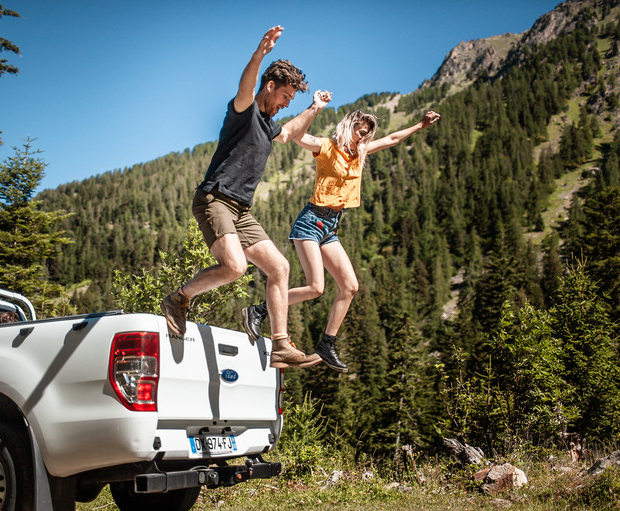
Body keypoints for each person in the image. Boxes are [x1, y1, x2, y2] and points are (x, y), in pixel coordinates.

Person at [160, 26, 331, 369]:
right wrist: (260, 53)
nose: (285, 104)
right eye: (285, 96)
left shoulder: (269, 127)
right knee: (235, 267)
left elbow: (289, 135)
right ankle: (178, 298)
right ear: (270, 86)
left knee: (279, 267)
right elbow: (247, 85)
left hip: (240, 209)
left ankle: (280, 344)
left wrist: (313, 108)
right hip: (216, 199)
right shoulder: (245, 111)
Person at [243, 109, 441, 372]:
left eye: (368, 133)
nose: (365, 135)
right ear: (350, 125)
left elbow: (392, 139)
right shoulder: (326, 147)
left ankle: (327, 344)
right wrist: (314, 108)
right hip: (310, 223)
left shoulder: (360, 153)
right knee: (316, 287)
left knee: (350, 286)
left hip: (331, 226)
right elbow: (297, 136)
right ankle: (260, 310)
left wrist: (420, 125)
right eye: (361, 130)